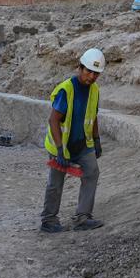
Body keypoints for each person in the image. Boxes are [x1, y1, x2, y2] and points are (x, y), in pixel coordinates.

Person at [41, 48, 107, 233]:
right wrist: (61, 149)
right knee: (56, 182)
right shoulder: (66, 90)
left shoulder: (94, 90)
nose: (92, 77)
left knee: (92, 172)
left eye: (96, 73)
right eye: (89, 71)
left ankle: (83, 217)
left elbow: (93, 116)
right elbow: (53, 120)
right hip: (60, 145)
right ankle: (48, 220)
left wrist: (96, 139)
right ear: (80, 68)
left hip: (82, 144)